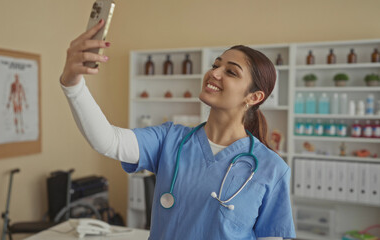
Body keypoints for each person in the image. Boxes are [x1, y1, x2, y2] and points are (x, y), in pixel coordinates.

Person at [60, 19, 296, 240]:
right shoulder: (170, 139)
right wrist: (73, 85)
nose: (214, 73)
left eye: (230, 71)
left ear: (254, 97)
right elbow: (109, 141)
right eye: (216, 65)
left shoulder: (271, 169)